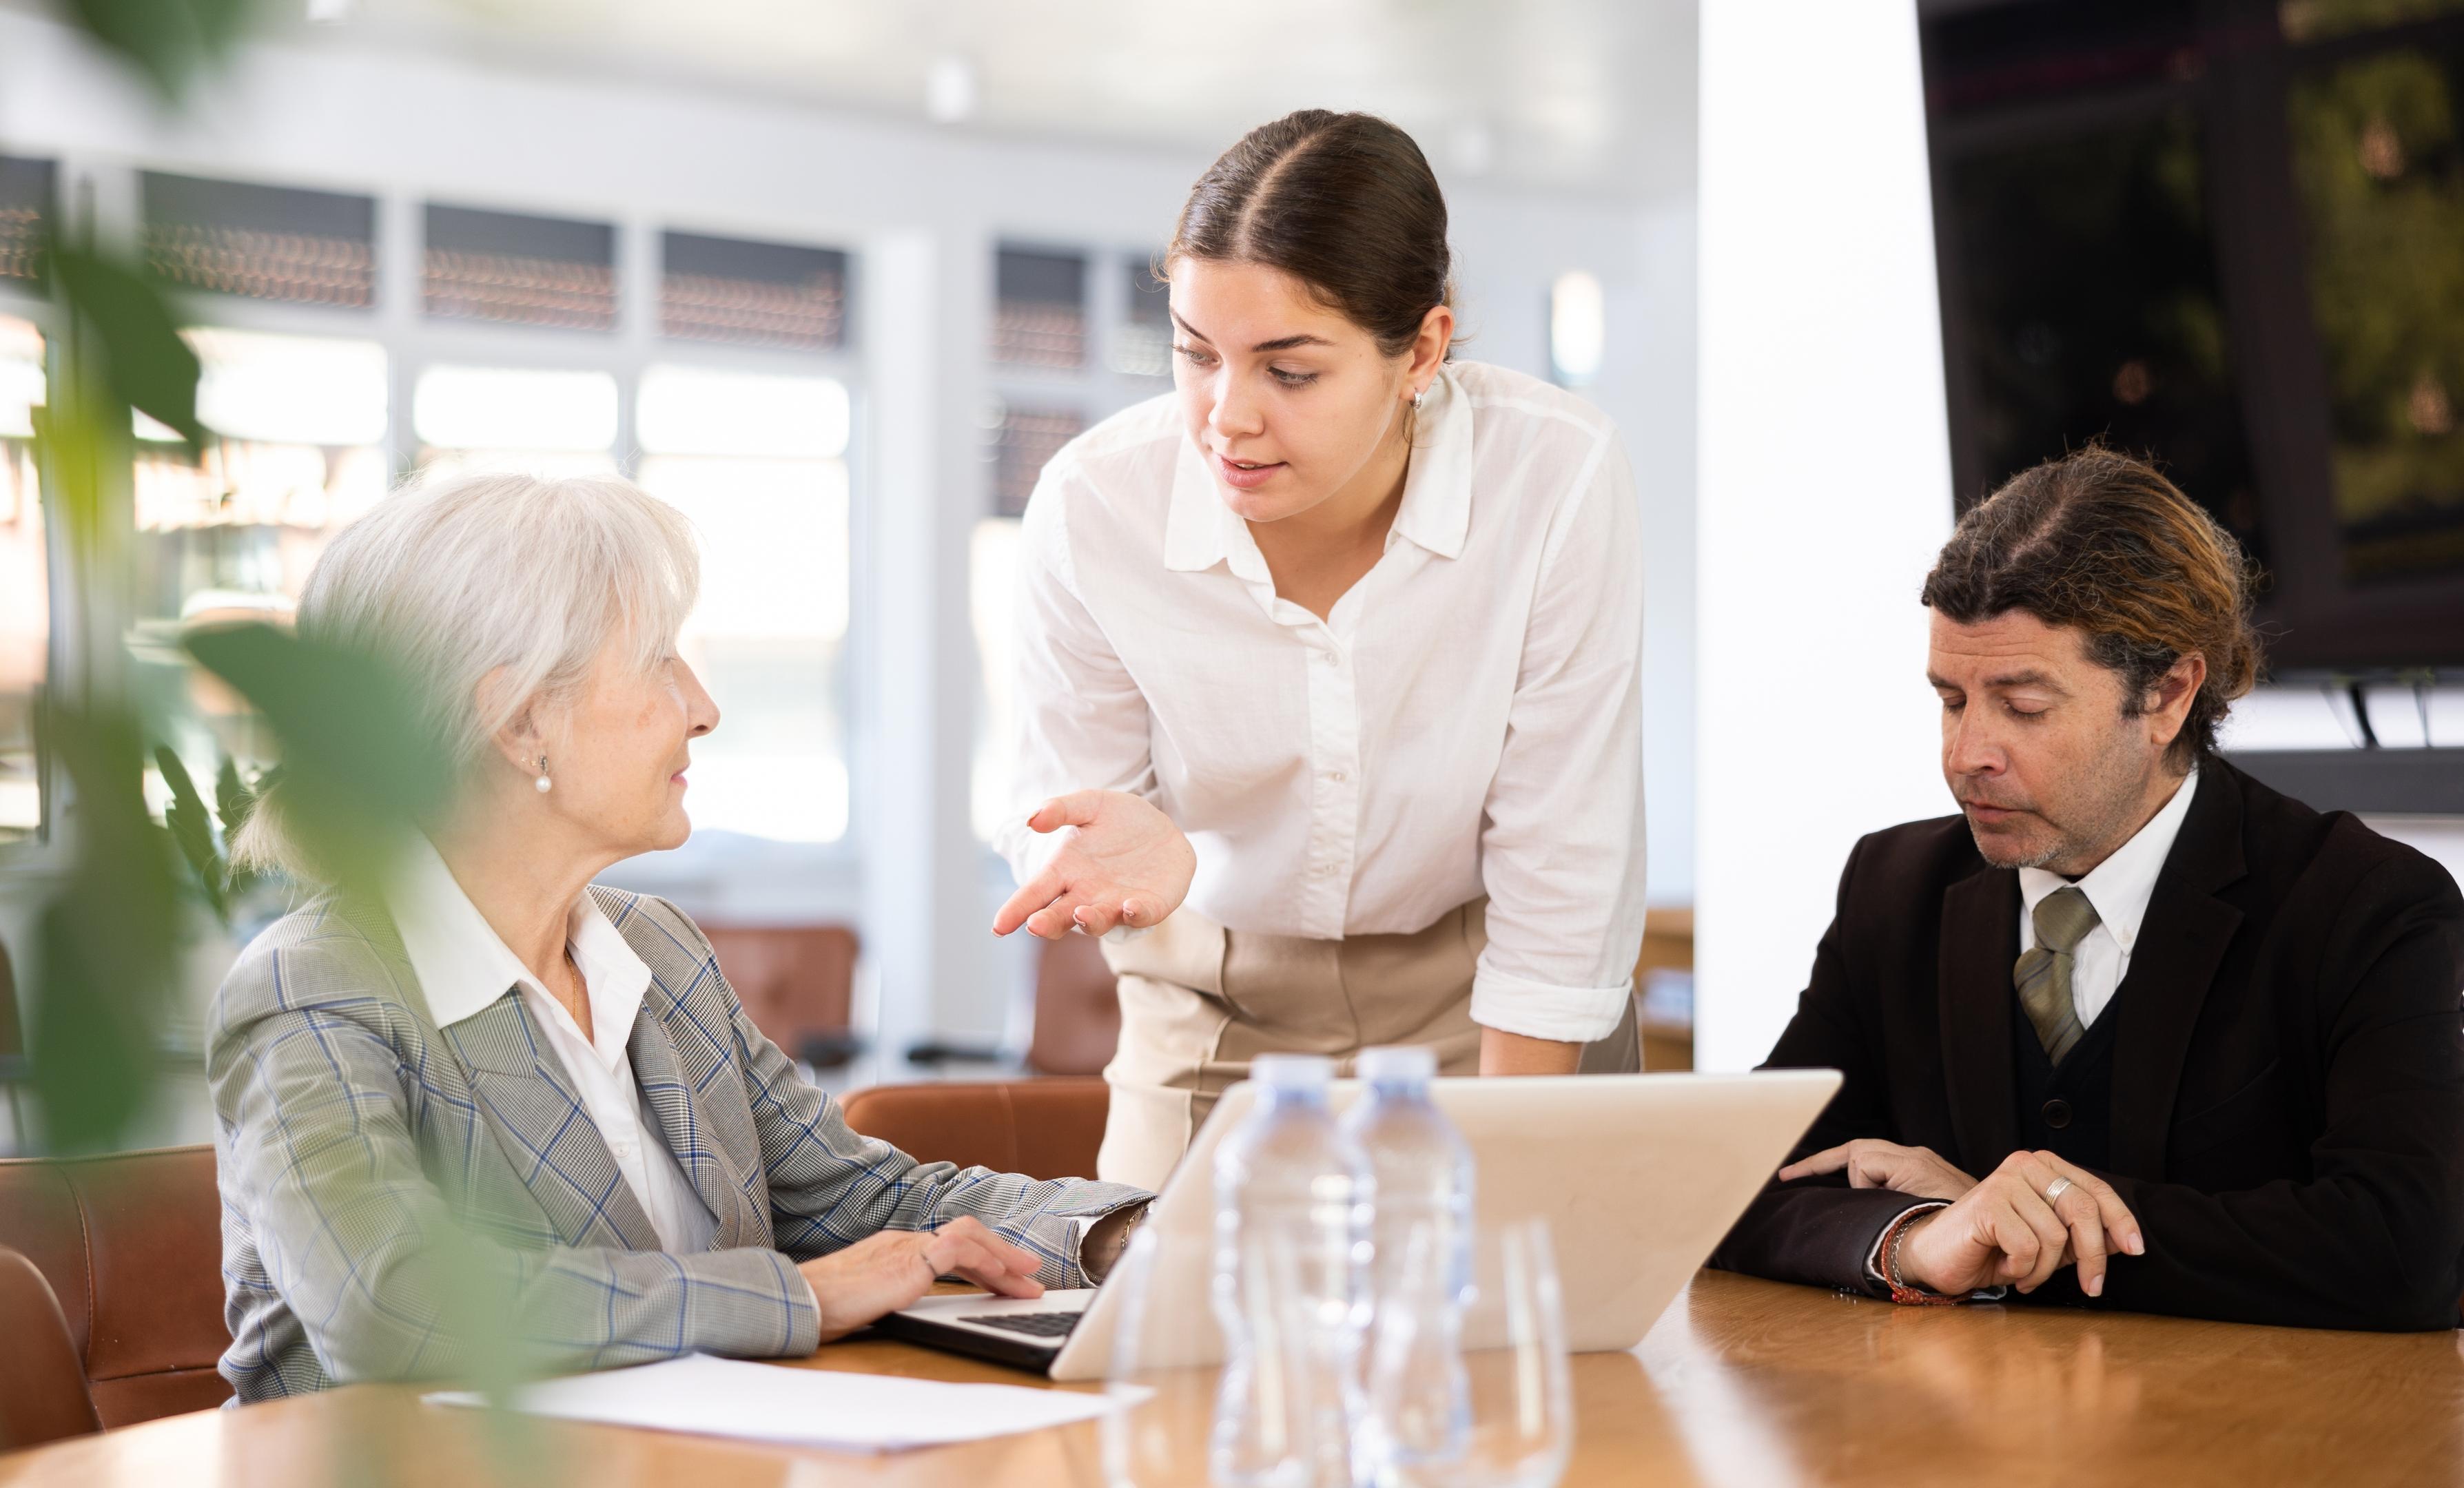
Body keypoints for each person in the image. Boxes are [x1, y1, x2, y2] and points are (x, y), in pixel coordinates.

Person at [209, 471, 1149, 1401]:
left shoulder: (654, 950)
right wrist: (791, 1296)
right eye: (659, 657)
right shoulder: (313, 986)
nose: (703, 705)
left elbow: (870, 1202)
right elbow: (388, 1302)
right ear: (521, 720)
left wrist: (1121, 1235)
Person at [989, 109, 1650, 1189]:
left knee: (1525, 1319)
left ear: (1422, 351)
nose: (1225, 420)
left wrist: (1510, 1181)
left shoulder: (1554, 475)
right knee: (1154, 1328)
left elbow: (1564, 856)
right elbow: (1064, 818)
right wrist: (1113, 860)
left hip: (1488, 987)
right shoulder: (1093, 506)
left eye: (1288, 372)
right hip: (1216, 991)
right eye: (1196, 356)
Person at [1711, 446, 2464, 1330]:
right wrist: (1923, 1236)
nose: (1965, 756)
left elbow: (2406, 1248)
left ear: (2170, 694)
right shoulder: (1893, 891)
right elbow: (1736, 1185)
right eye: (1951, 700)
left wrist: (2038, 1227)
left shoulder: (2367, 907)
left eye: (2024, 706)